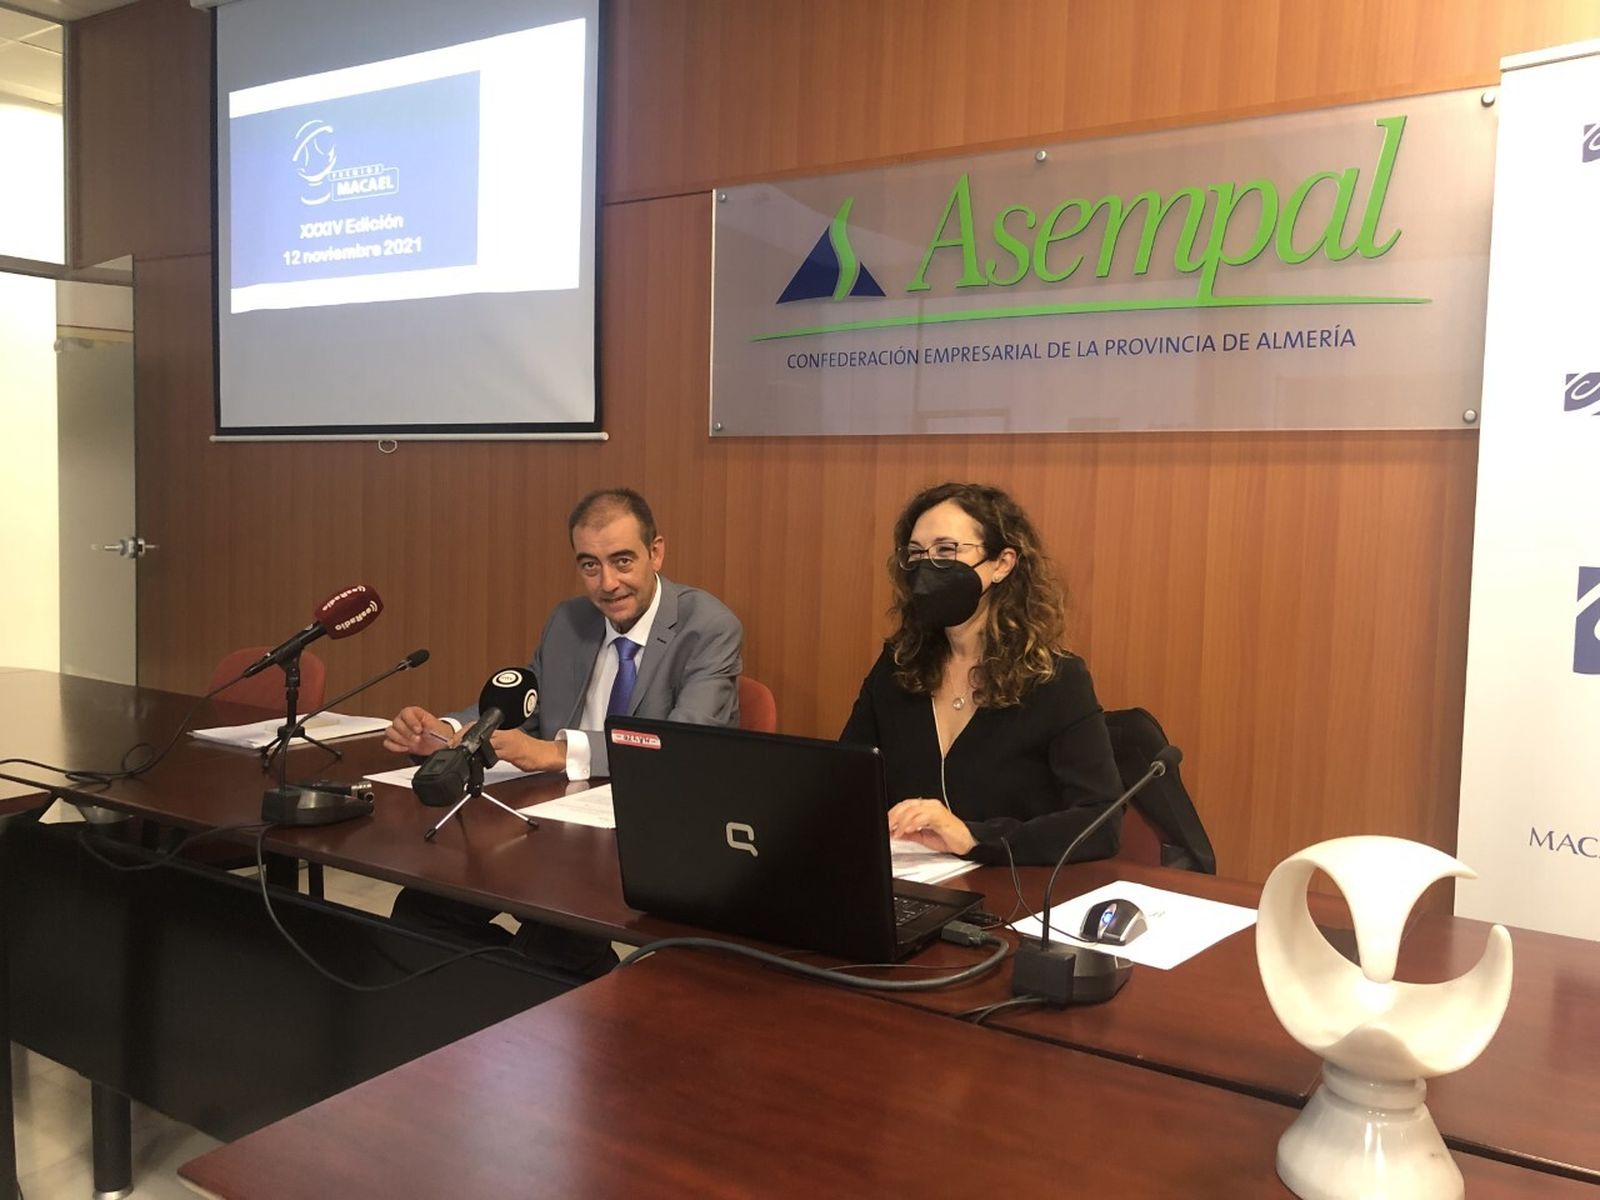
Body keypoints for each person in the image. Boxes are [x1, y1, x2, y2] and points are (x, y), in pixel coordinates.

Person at [384, 487, 743, 975]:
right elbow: (524, 705)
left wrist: (556, 753)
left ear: (656, 551)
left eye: (622, 561)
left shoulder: (708, 627)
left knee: (553, 941)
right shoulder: (569, 620)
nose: (608, 583)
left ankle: (577, 1017)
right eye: (590, 565)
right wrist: (449, 731)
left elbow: (678, 745)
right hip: (557, 831)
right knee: (420, 912)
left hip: (650, 833)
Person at [840, 482, 1123, 867]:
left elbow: (1101, 820)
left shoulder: (1054, 678)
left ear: (1002, 564)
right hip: (909, 885)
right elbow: (846, 781)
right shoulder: (899, 664)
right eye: (917, 554)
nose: (928, 567)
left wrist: (974, 837)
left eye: (946, 550)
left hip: (1012, 893)